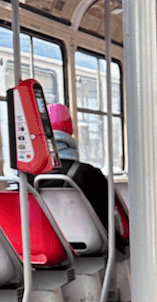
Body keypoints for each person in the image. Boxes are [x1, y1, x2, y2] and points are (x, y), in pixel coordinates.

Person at [44, 102, 125, 247]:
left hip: (44, 245)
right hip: (88, 244)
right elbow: (108, 217)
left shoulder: (27, 178)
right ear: (70, 129)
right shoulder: (88, 174)